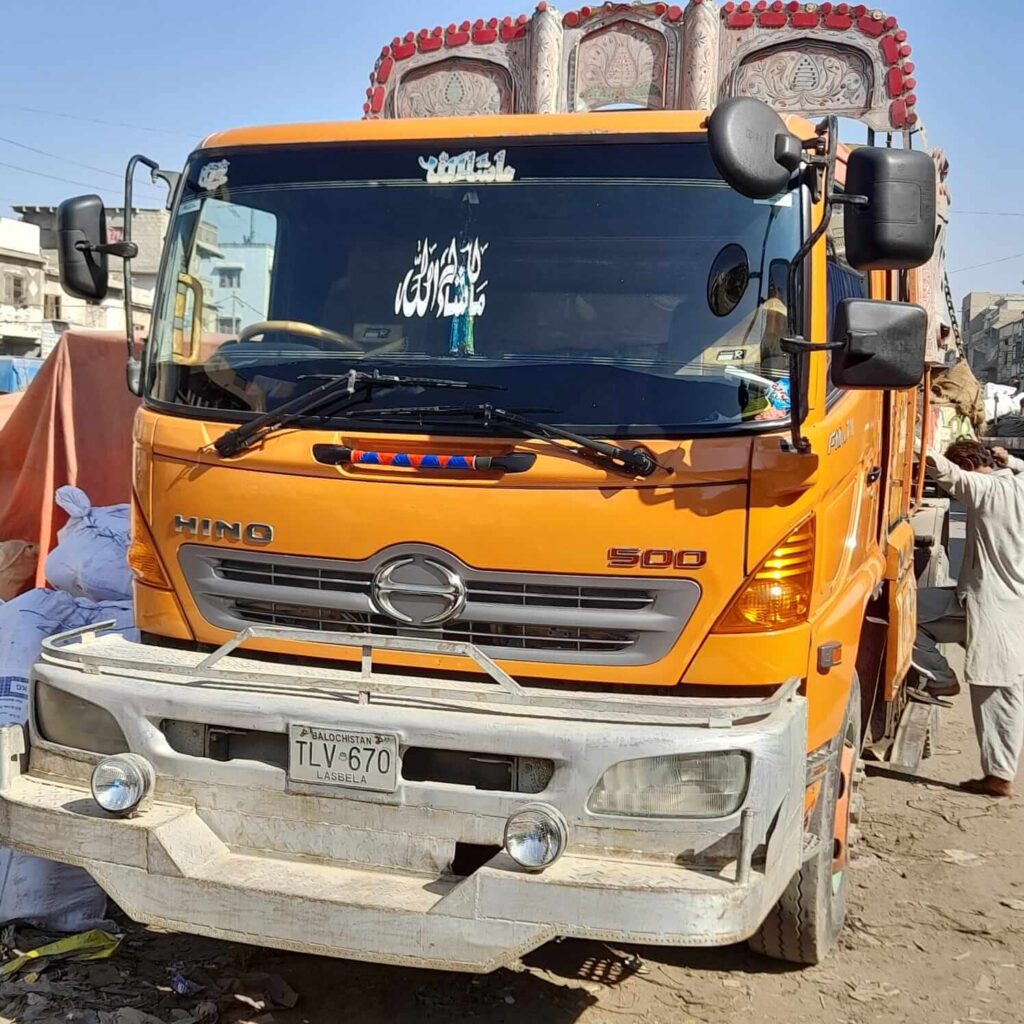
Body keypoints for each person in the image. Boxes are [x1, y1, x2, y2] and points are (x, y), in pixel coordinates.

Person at [912, 441, 1024, 797]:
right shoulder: (1018, 482)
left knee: (998, 690)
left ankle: (999, 776)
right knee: (908, 611)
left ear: (966, 462)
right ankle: (943, 679)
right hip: (983, 602)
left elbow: (946, 472)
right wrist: (1011, 459)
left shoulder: (985, 490)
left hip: (994, 606)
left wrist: (911, 443)